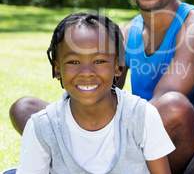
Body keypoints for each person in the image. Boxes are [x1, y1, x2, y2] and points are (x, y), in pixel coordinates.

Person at [10, 0, 194, 174]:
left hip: (176, 146)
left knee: (173, 106)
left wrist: (109, 131)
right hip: (129, 136)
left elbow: (163, 102)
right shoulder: (128, 31)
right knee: (26, 108)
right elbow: (100, 89)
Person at [17, 12, 175, 173]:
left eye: (99, 61)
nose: (87, 72)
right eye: (73, 62)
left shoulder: (143, 116)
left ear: (116, 67)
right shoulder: (42, 127)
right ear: (57, 69)